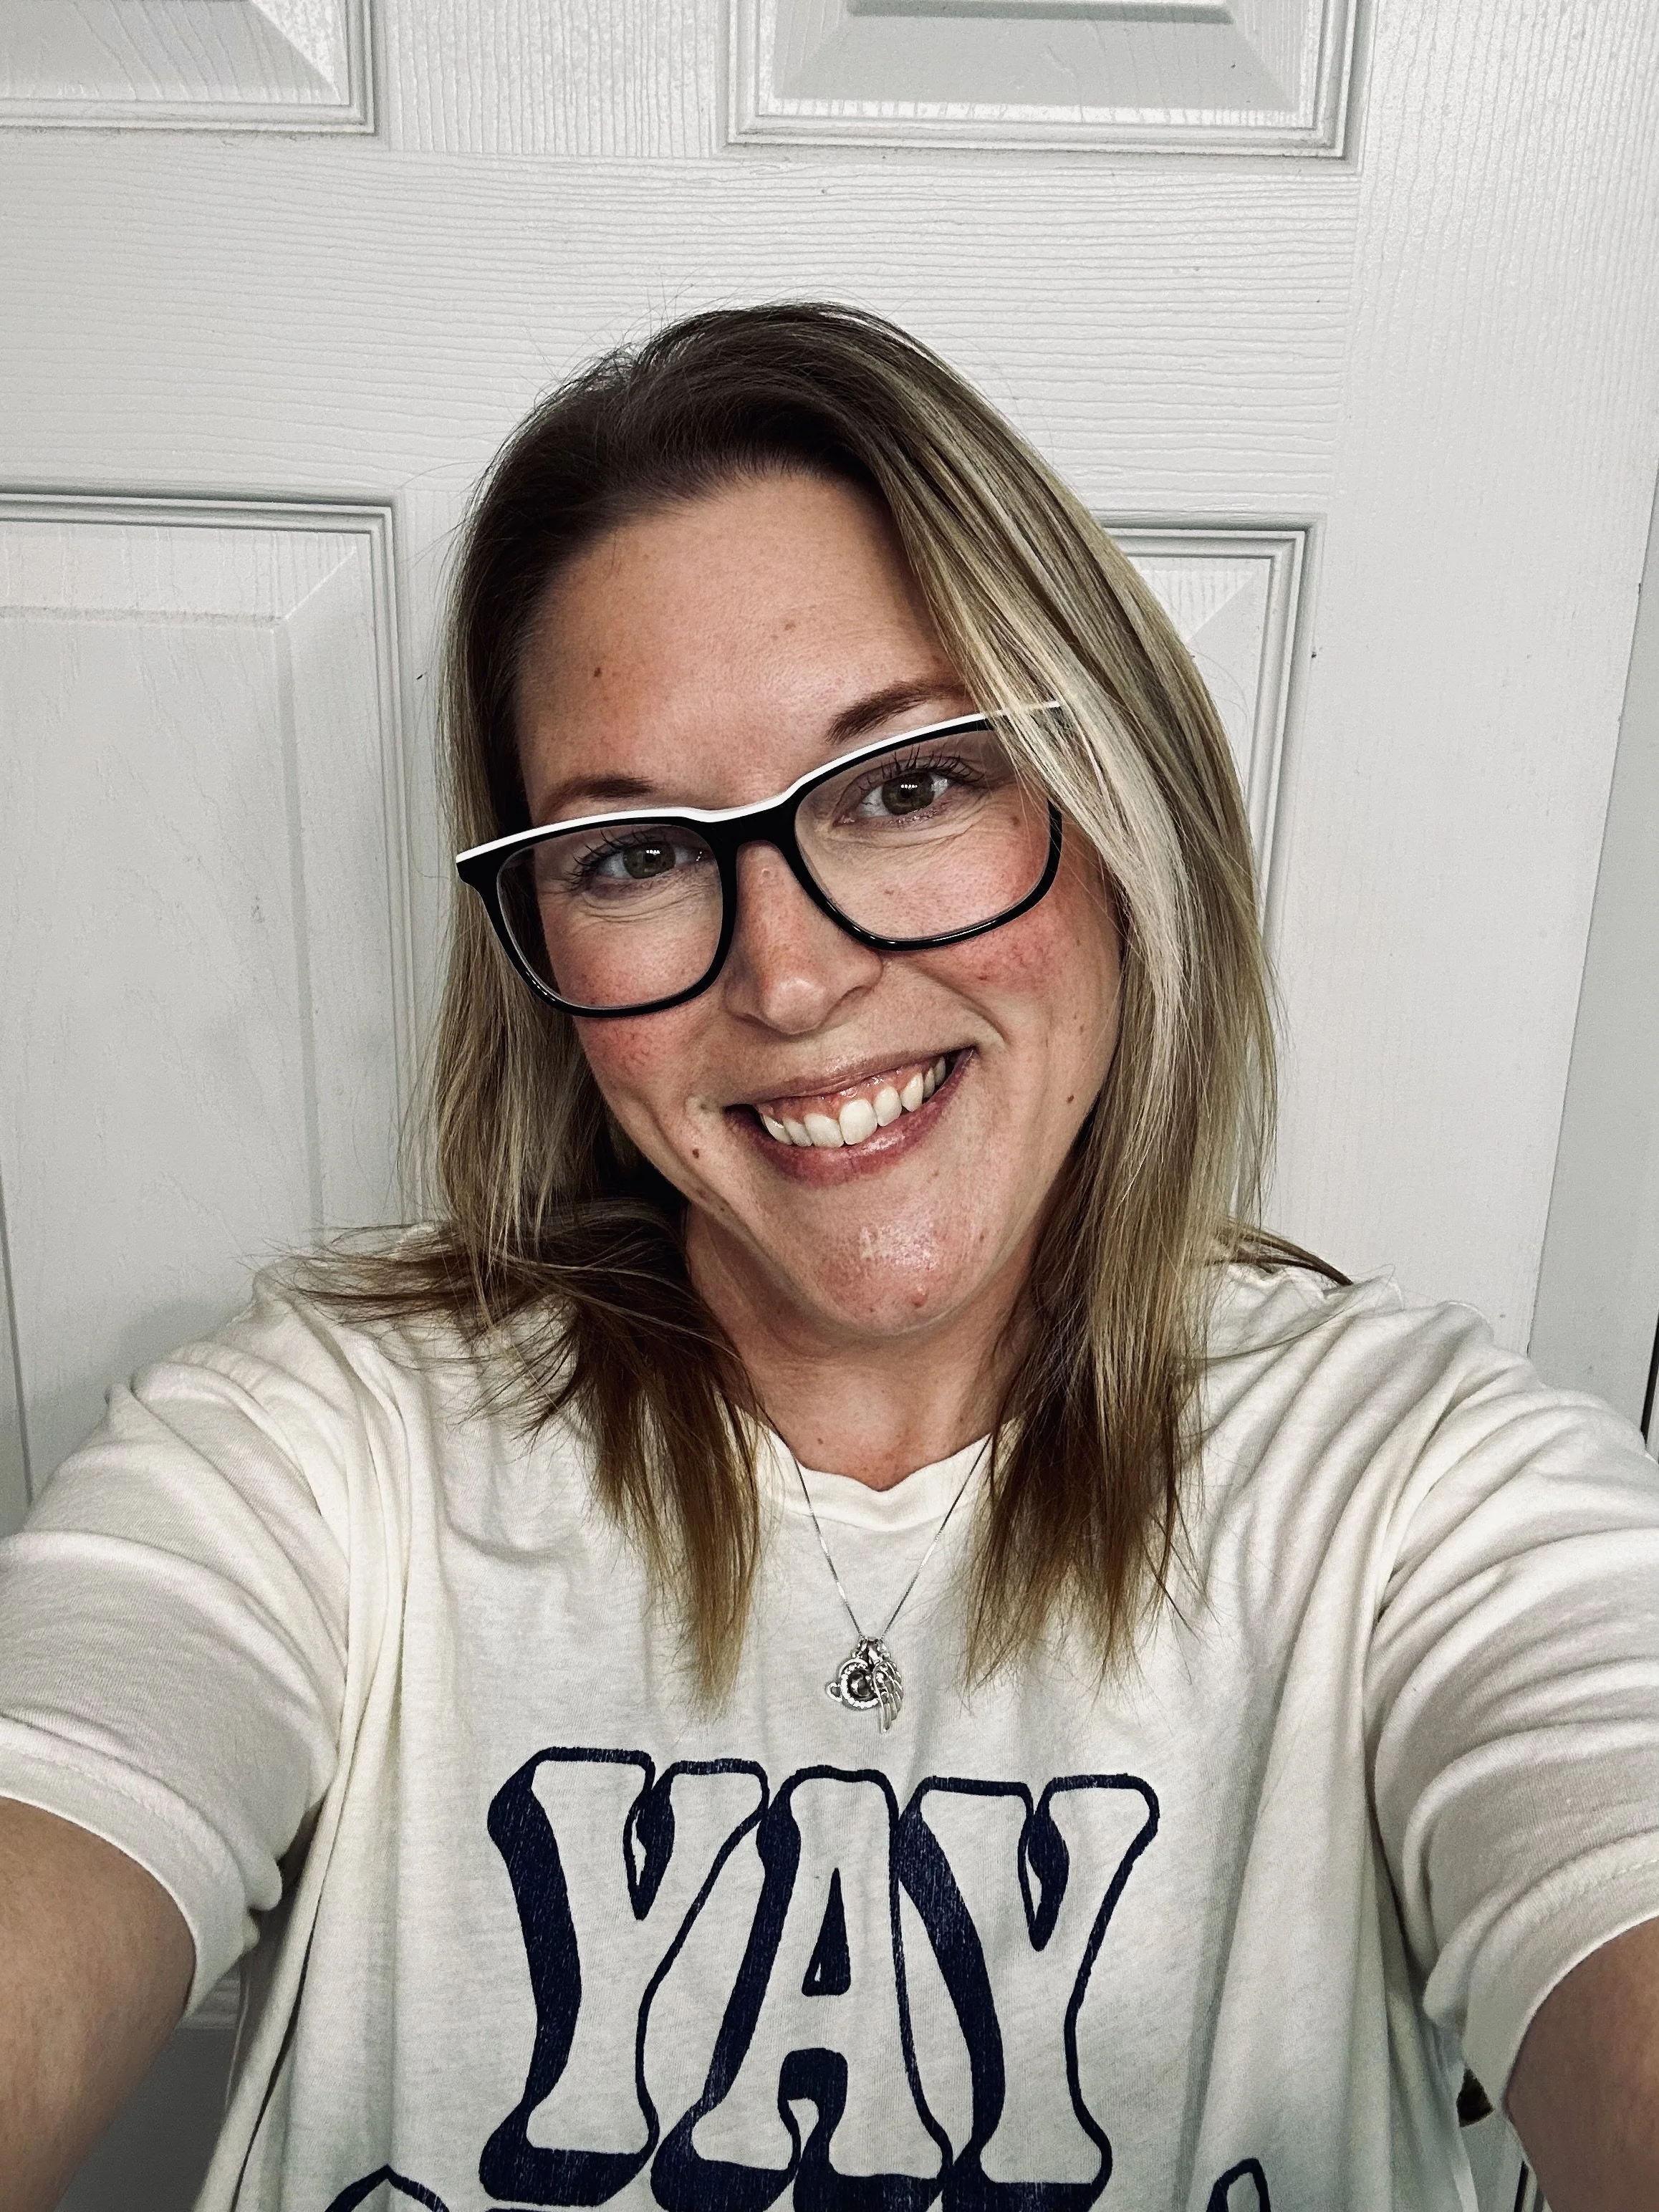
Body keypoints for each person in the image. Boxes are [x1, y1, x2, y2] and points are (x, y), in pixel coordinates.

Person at [1, 303, 1657, 2212]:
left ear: (1115, 806)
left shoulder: (1420, 1492)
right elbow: (76, 1770)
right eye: (629, 850)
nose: (789, 979)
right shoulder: (320, 1446)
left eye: (905, 786)